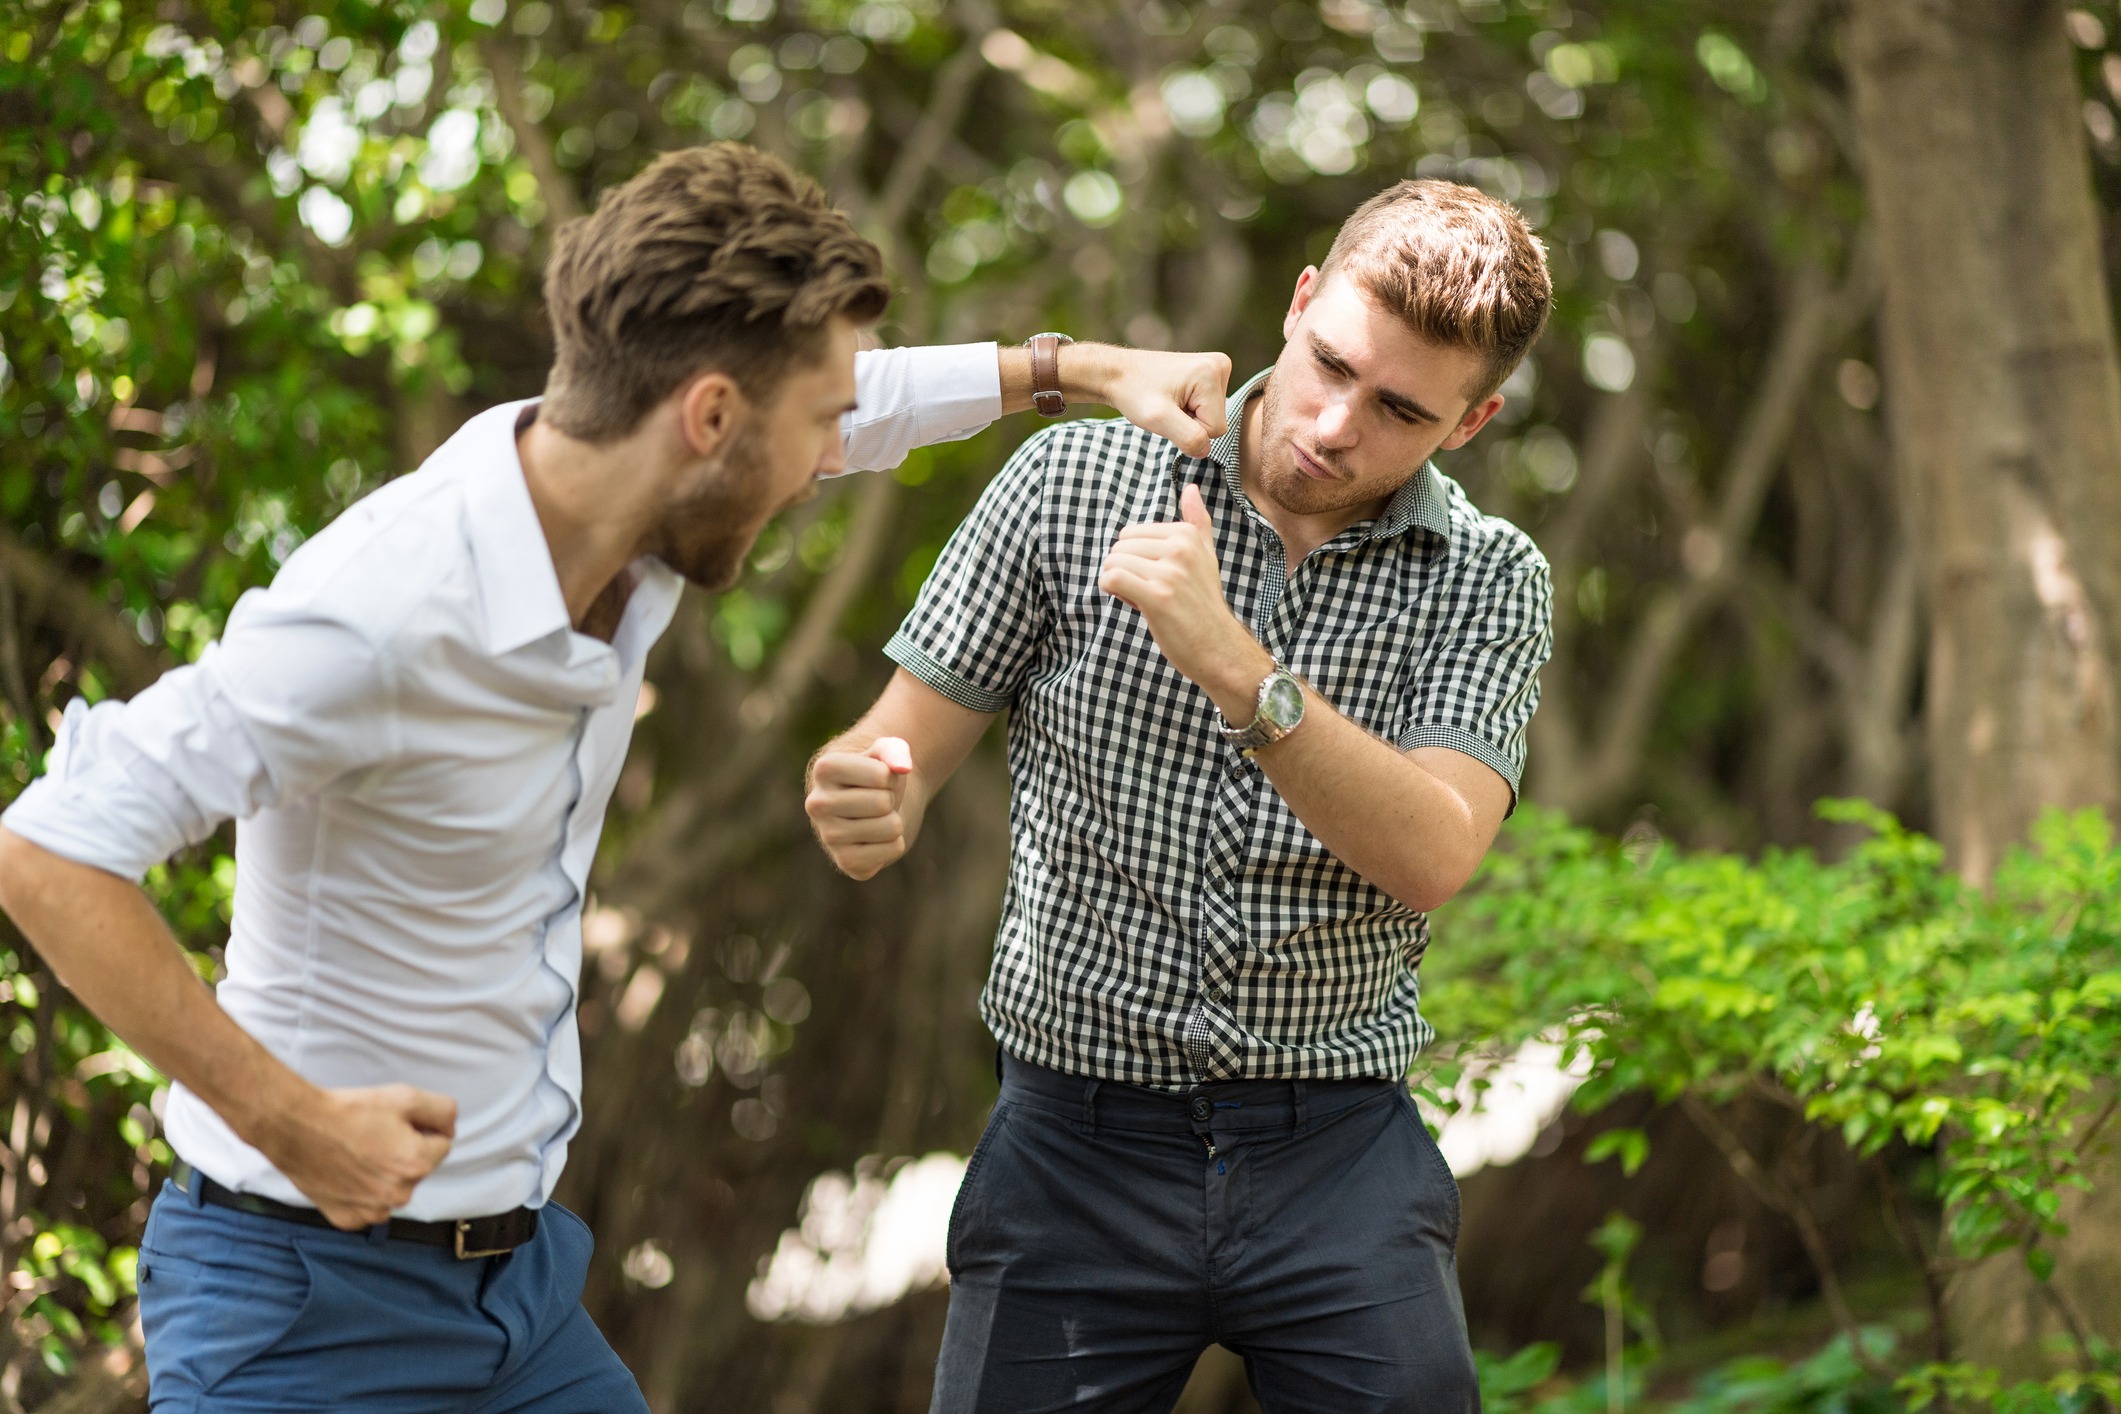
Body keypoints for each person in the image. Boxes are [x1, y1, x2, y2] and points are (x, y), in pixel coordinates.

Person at [0, 142, 1229, 1411]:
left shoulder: (619, 505)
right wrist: (291, 1121)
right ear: (710, 419)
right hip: (304, 1312)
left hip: (518, 1298)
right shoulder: (383, 614)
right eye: (815, 425)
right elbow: (47, 849)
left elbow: (860, 400)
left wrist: (1078, 371)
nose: (829, 455)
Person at [806, 178, 1555, 1412]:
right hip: (1070, 1152)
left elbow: (1433, 852)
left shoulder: (1488, 578)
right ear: (1301, 302)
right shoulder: (1073, 481)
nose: (1333, 425)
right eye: (1330, 364)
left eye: (1399, 410)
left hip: (1337, 1152)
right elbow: (898, 752)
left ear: (1471, 423)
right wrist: (866, 794)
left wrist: (1234, 664)